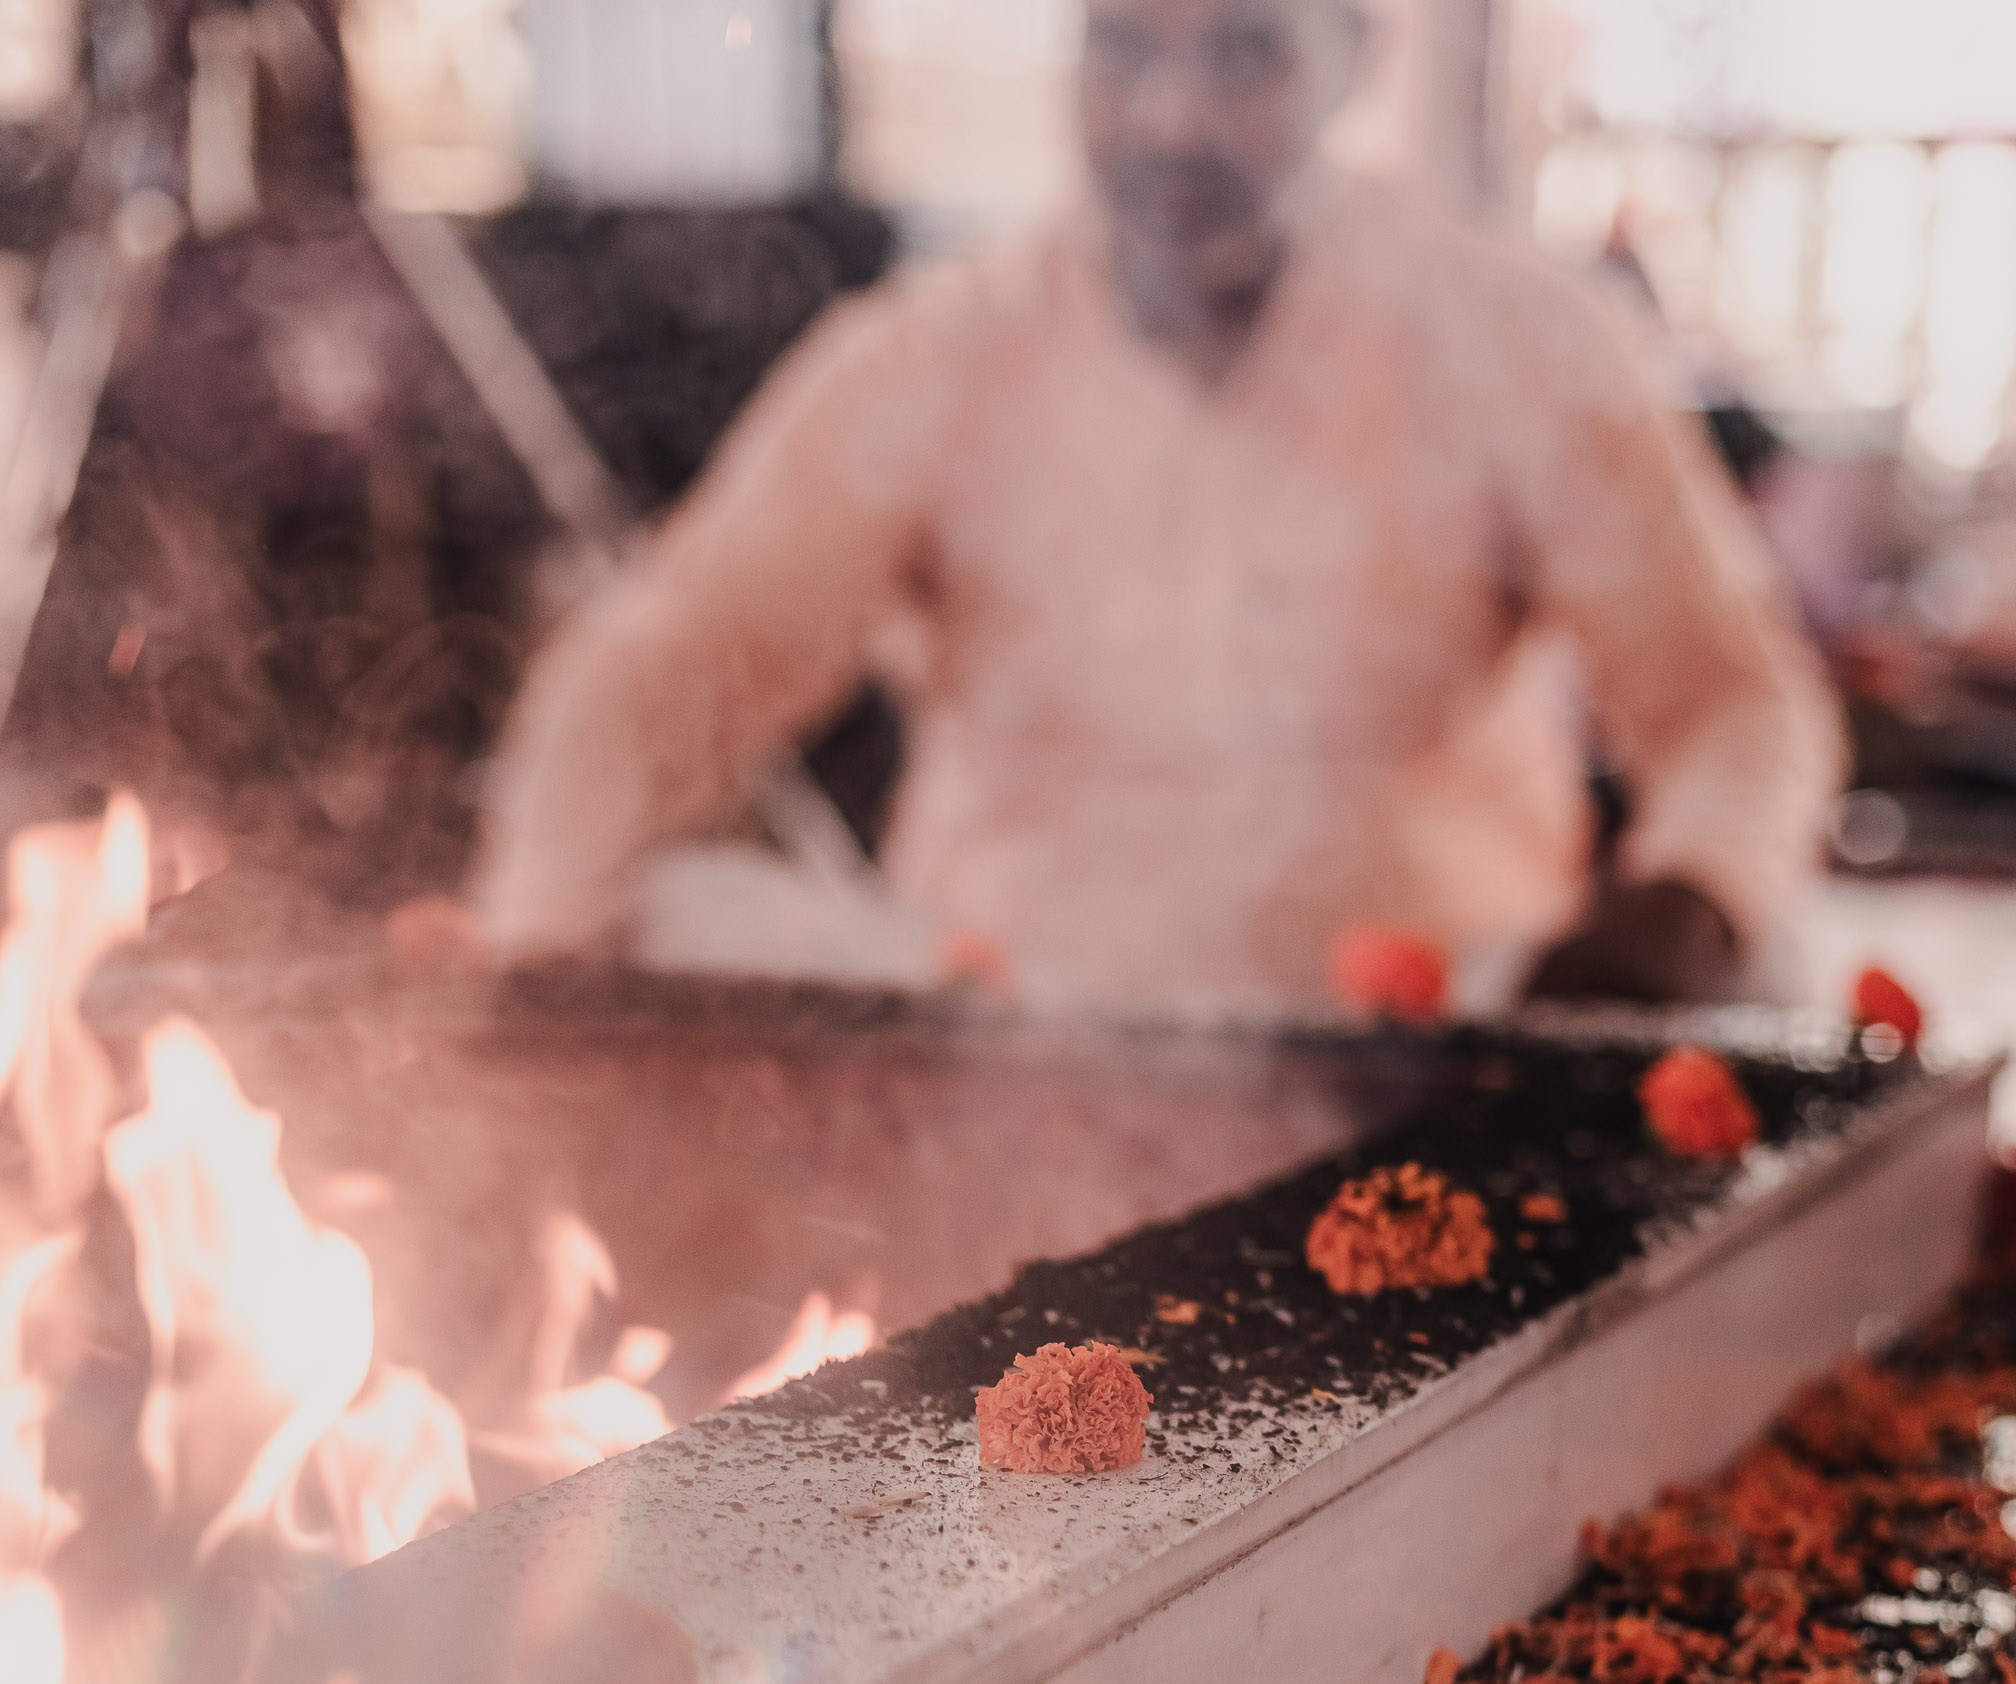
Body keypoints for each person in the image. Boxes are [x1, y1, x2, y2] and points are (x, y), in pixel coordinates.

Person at [470, 0, 1842, 1014]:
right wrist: (524, 960)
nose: (1173, 121)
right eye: (1127, 48)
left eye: (1246, 51)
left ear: (1352, 58)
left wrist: (1687, 906)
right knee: (656, 913)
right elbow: (676, 664)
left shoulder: (1520, 340)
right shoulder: (935, 354)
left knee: (1774, 969)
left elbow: (1733, 701)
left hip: (1423, 1056)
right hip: (1010, 1053)